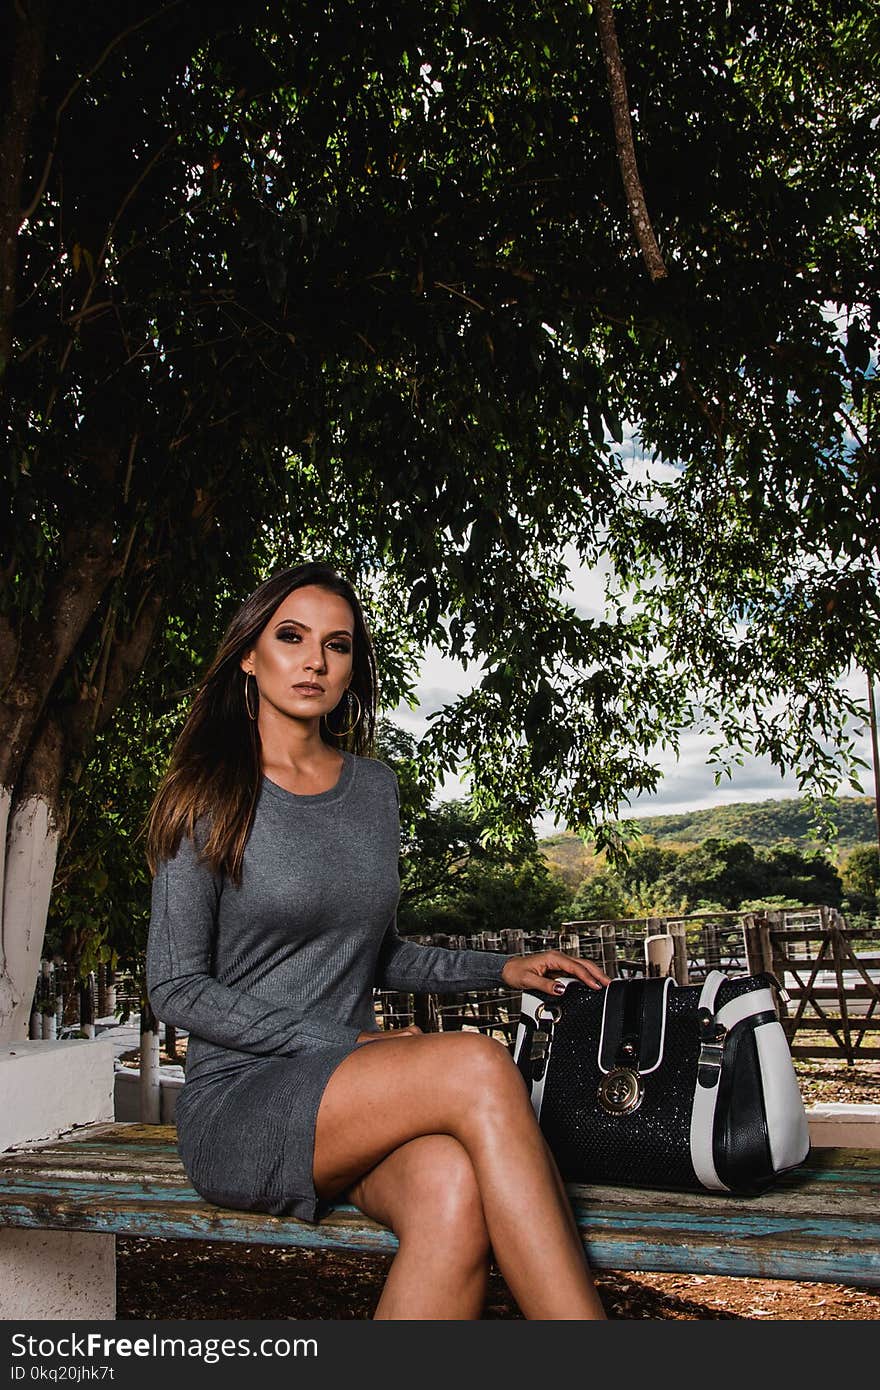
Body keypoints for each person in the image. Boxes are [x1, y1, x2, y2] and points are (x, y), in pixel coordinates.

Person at [145, 560, 611, 1320]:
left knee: (451, 1190)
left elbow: (378, 952)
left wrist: (503, 968)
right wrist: (340, 1040)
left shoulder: (372, 789)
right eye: (291, 637)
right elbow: (175, 986)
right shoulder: (205, 792)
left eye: (338, 644)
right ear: (249, 655)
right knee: (476, 1061)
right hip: (242, 1100)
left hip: (347, 1097)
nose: (315, 661)